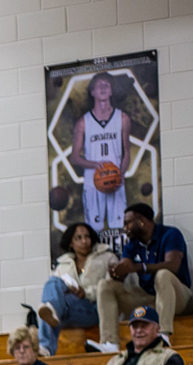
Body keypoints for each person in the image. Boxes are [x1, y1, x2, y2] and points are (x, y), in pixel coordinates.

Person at [98, 203, 193, 341]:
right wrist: (116, 271)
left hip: (178, 299)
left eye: (128, 223)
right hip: (150, 299)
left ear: (142, 221)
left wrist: (140, 267)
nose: (125, 228)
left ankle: (163, 335)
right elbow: (125, 265)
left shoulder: (170, 234)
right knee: (105, 285)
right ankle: (109, 342)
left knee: (163, 274)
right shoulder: (132, 243)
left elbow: (172, 266)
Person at [36, 221, 116, 355]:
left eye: (87, 236)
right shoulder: (63, 265)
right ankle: (46, 348)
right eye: (78, 238)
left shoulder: (107, 258)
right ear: (70, 243)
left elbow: (112, 288)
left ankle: (45, 344)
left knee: (51, 301)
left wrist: (86, 293)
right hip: (70, 310)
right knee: (53, 283)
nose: (84, 241)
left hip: (94, 310)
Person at [71, 72, 128, 241]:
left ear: (111, 91)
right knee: (94, 232)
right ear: (92, 92)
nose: (103, 88)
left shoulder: (122, 118)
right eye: (98, 85)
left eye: (106, 85)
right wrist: (96, 165)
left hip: (115, 181)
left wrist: (120, 174)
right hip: (93, 182)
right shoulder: (83, 122)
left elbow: (126, 152)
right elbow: (74, 157)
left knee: (120, 231)